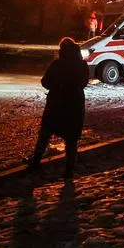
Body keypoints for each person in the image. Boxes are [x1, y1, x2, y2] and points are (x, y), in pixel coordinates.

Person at [27, 37, 90, 180]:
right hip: (75, 104)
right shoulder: (82, 65)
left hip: (57, 103)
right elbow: (83, 82)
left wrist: (57, 85)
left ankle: (36, 161)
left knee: (45, 133)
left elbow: (45, 82)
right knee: (71, 139)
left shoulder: (57, 64)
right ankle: (69, 170)